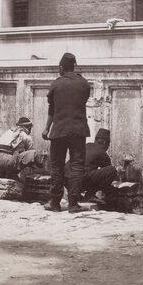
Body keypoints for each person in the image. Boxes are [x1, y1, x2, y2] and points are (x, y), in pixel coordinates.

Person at [43, 52, 91, 214]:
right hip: (78, 130)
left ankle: (55, 203)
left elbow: (52, 110)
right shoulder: (84, 84)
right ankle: (73, 204)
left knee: (57, 166)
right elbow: (82, 102)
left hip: (59, 131)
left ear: (61, 67)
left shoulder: (56, 84)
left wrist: (46, 128)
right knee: (77, 166)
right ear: (74, 66)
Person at [71, 127, 118, 202]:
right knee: (112, 170)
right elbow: (108, 174)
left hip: (67, 180)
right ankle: (90, 195)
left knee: (83, 172)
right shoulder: (102, 151)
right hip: (80, 181)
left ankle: (76, 195)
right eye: (108, 144)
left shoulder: (87, 145)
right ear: (105, 142)